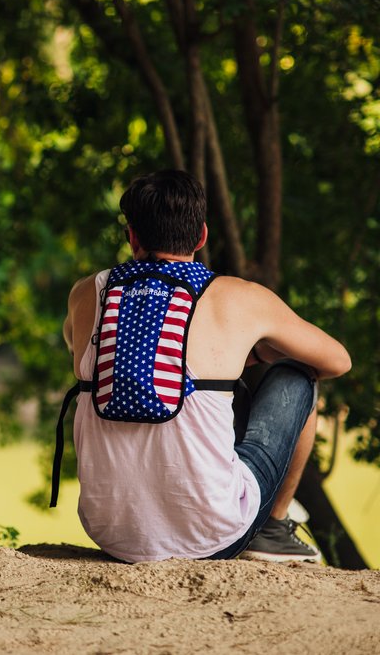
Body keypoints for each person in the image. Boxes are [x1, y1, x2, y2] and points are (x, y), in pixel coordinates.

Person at [61, 169, 351, 563]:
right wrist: (257, 353)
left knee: (221, 389)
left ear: (132, 237)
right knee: (299, 375)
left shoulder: (85, 294)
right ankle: (272, 529)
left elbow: (75, 348)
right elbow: (337, 360)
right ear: (201, 236)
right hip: (216, 536)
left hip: (112, 534)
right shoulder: (238, 296)